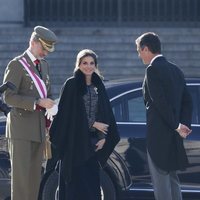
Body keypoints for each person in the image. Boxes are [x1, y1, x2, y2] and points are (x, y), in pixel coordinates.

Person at [47, 49, 120, 200]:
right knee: (74, 190)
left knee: (91, 189)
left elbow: (106, 115)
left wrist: (103, 138)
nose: (88, 66)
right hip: (74, 147)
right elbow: (67, 118)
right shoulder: (71, 85)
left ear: (96, 65)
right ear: (78, 65)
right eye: (84, 63)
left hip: (93, 147)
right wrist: (93, 123)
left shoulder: (99, 85)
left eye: (91, 63)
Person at [135, 32, 193, 200]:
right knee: (173, 181)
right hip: (175, 136)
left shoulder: (152, 70)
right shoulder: (176, 69)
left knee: (161, 184)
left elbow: (159, 103)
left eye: (139, 51)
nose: (139, 55)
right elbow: (187, 101)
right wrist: (183, 125)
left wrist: (177, 125)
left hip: (159, 136)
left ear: (146, 49)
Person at [3, 25, 58, 200]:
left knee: (34, 180)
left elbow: (47, 94)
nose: (46, 53)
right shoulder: (17, 64)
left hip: (39, 130)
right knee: (21, 181)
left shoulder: (44, 65)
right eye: (43, 48)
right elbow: (8, 97)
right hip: (21, 129)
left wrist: (51, 104)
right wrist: (36, 103)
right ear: (33, 42)